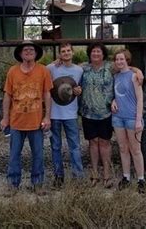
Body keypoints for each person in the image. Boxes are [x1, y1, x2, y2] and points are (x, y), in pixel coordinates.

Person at [0, 40, 52, 194]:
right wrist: (5, 118)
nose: (28, 51)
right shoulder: (12, 72)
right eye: (25, 49)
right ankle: (13, 185)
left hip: (36, 122)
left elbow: (47, 94)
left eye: (31, 49)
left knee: (38, 154)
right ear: (21, 54)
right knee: (14, 155)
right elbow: (7, 96)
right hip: (16, 122)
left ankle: (38, 184)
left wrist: (47, 117)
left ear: (36, 54)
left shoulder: (43, 71)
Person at [47, 43, 84, 187]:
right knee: (55, 146)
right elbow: (38, 71)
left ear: (73, 53)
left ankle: (78, 177)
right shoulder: (52, 68)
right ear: (60, 54)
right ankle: (58, 176)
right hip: (54, 114)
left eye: (69, 50)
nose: (66, 53)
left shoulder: (79, 70)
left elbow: (78, 88)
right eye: (63, 51)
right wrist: (53, 62)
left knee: (74, 146)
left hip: (71, 114)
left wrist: (78, 91)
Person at [80, 42, 115, 188]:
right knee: (93, 142)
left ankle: (107, 174)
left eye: (98, 52)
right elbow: (67, 66)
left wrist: (137, 72)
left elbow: (126, 66)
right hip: (88, 113)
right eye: (93, 51)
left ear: (103, 54)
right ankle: (94, 173)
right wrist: (57, 61)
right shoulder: (83, 68)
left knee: (105, 142)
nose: (95, 54)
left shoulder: (110, 67)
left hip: (106, 112)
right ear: (89, 54)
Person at [111, 49, 146, 193]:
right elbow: (118, 94)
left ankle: (141, 179)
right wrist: (113, 100)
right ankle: (126, 177)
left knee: (135, 150)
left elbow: (140, 99)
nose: (119, 62)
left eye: (122, 59)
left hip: (132, 118)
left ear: (127, 60)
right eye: (117, 59)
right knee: (123, 148)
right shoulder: (116, 77)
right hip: (118, 117)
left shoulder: (134, 77)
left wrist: (138, 120)